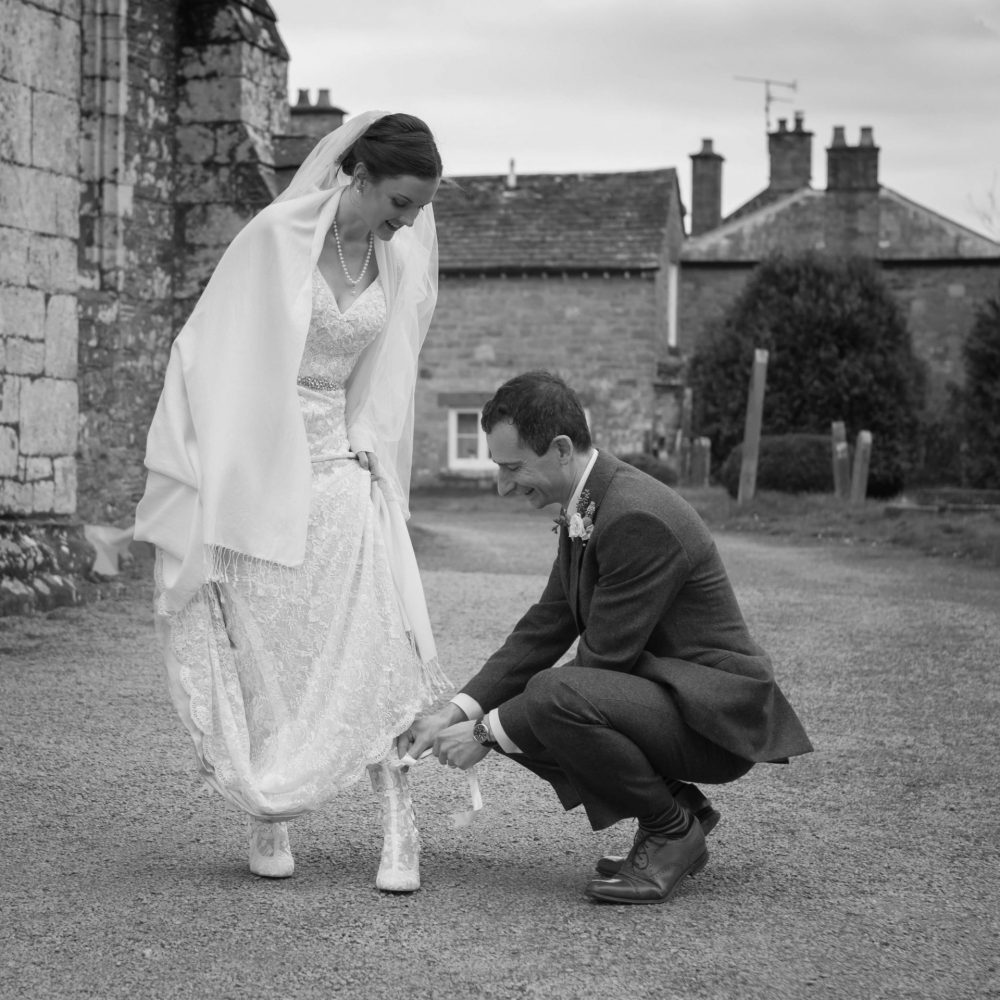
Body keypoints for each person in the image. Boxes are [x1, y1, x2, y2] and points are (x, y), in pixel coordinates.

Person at [134, 111, 449, 891]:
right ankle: (270, 812)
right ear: (361, 175)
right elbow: (206, 353)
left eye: (417, 208)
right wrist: (210, 473)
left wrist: (373, 453)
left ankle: (398, 827)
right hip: (265, 465)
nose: (408, 220)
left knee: (377, 643)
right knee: (272, 644)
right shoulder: (275, 238)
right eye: (400, 201)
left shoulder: (400, 259)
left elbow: (391, 377)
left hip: (344, 462)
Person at [404, 371, 813, 905]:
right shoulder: (592, 501)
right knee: (525, 706)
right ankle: (677, 808)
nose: (504, 485)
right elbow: (545, 625)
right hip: (667, 699)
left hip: (714, 719)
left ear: (561, 449)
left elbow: (601, 663)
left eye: (512, 467)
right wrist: (456, 713)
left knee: (548, 699)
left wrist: (484, 735)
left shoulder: (635, 515)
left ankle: (671, 831)